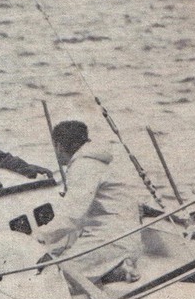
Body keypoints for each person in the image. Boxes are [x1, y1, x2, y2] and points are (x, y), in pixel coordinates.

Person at [35, 120, 142, 285]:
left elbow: (71, 217)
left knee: (54, 275)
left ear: (59, 146)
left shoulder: (84, 166)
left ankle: (114, 272)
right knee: (64, 257)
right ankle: (115, 270)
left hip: (112, 241)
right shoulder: (97, 161)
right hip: (125, 237)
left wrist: (39, 237)